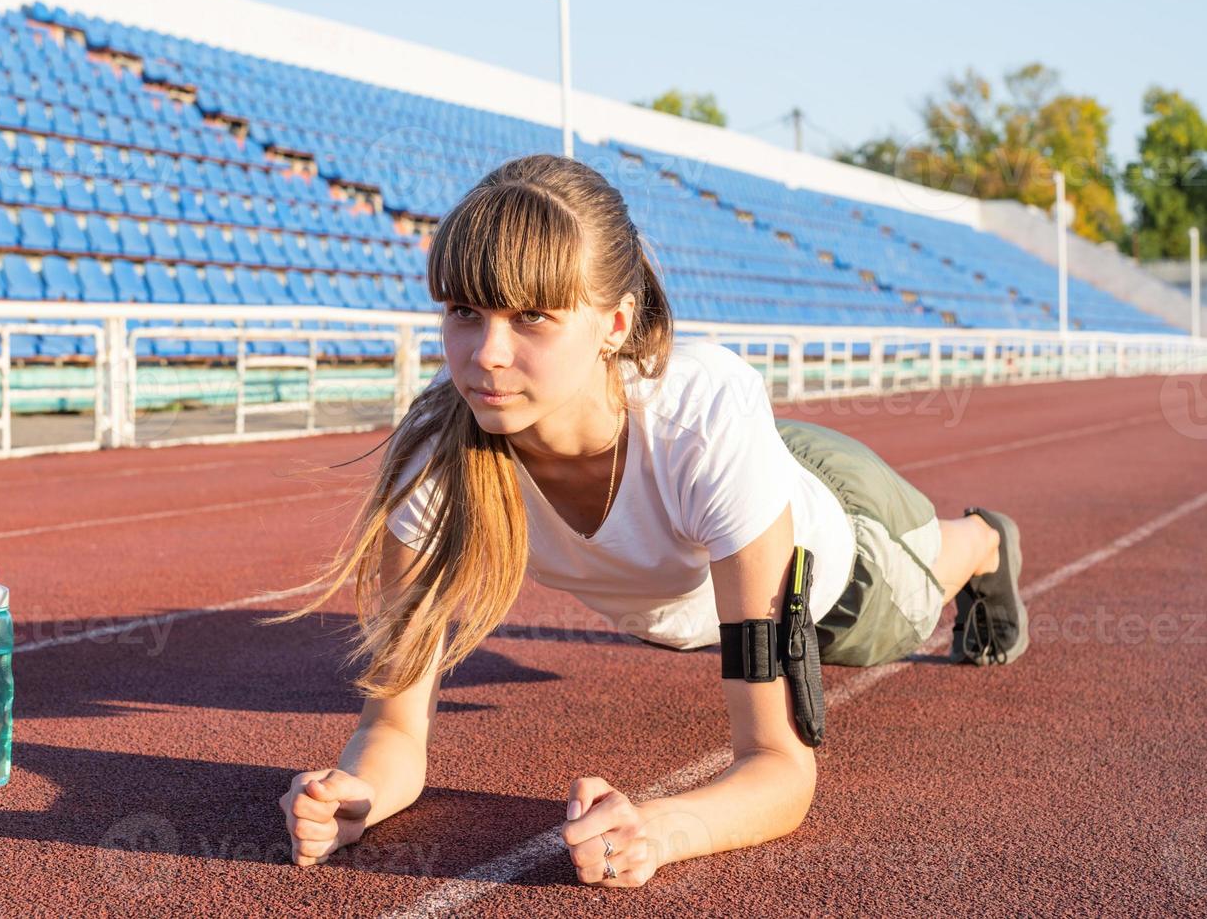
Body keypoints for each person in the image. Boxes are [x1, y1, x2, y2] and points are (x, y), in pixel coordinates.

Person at [264, 153, 1027, 887]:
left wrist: (661, 829)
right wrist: (358, 790)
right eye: (464, 311)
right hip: (726, 480)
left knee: (900, 613)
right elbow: (393, 730)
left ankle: (984, 539)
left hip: (851, 546)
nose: (487, 355)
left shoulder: (700, 422)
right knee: (724, 492)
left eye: (532, 316)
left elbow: (779, 769)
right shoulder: (437, 454)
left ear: (616, 322)